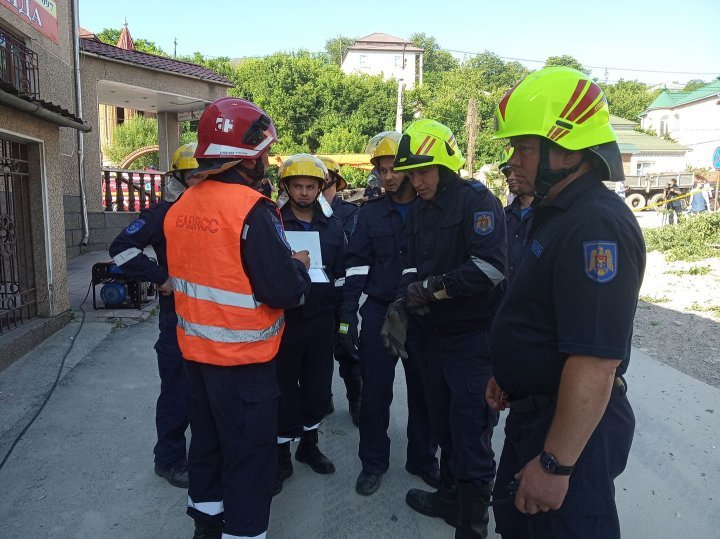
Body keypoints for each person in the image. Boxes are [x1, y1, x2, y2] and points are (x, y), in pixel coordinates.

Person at [487, 66, 646, 539]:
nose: (511, 161)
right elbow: (541, 315)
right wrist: (510, 374)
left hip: (567, 431)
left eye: (524, 148)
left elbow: (595, 362)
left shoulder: (595, 225)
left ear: (567, 149)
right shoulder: (555, 212)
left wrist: (556, 465)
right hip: (537, 414)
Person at [163, 97, 311, 539]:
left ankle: (206, 528)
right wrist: (299, 267)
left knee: (206, 450)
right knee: (250, 461)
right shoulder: (252, 210)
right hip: (245, 367)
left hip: (197, 360)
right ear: (248, 154)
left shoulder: (181, 207)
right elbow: (281, 290)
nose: (267, 159)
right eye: (264, 150)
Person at [388, 120, 507, 538]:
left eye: (424, 171)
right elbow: (412, 260)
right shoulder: (421, 208)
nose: (415, 181)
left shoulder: (477, 202)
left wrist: (432, 290)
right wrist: (406, 294)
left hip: (472, 341)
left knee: (471, 429)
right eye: (411, 173)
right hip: (432, 339)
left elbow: (490, 269)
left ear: (446, 165)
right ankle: (449, 500)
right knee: (442, 423)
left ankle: (471, 525)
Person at [339, 131, 439, 496]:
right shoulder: (369, 215)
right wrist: (348, 316)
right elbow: (355, 266)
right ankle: (373, 463)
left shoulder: (433, 210)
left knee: (425, 393)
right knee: (375, 394)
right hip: (380, 311)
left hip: (423, 313)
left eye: (394, 167)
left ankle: (423, 460)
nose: (388, 176)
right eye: (382, 170)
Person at [108, 142, 200, 489]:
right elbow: (121, 248)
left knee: (208, 394)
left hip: (214, 322)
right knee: (178, 392)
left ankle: (205, 455)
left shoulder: (219, 214)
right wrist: (159, 276)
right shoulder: (162, 214)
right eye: (193, 177)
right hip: (176, 321)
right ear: (179, 178)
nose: (200, 183)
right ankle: (170, 460)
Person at [273, 154, 346, 495]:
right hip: (284, 320)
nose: (303, 192)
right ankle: (282, 452)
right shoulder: (272, 222)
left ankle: (309, 445)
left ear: (320, 188)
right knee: (284, 387)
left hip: (320, 319)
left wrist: (343, 319)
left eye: (310, 186)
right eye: (297, 186)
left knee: (317, 386)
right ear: (286, 187)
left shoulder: (332, 226)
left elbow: (342, 270)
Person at [317, 156, 363, 422]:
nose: (321, 190)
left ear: (336, 183)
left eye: (326, 184)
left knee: (348, 349)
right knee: (318, 355)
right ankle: (324, 399)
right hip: (315, 298)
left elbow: (351, 254)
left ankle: (355, 400)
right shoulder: (299, 214)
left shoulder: (349, 214)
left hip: (343, 297)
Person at [501, 146, 536, 284]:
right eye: (507, 173)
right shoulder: (503, 216)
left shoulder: (549, 217)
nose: (511, 177)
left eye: (516, 171)